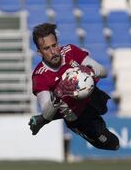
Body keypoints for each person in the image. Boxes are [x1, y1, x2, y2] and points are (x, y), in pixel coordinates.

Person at [28, 23, 120, 151]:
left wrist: (90, 71)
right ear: (39, 52)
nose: (53, 51)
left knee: (104, 110)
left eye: (54, 45)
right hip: (78, 116)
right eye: (47, 48)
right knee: (113, 144)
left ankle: (39, 122)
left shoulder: (70, 51)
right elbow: (47, 113)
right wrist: (59, 92)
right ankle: (81, 131)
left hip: (92, 97)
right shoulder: (40, 75)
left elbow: (103, 71)